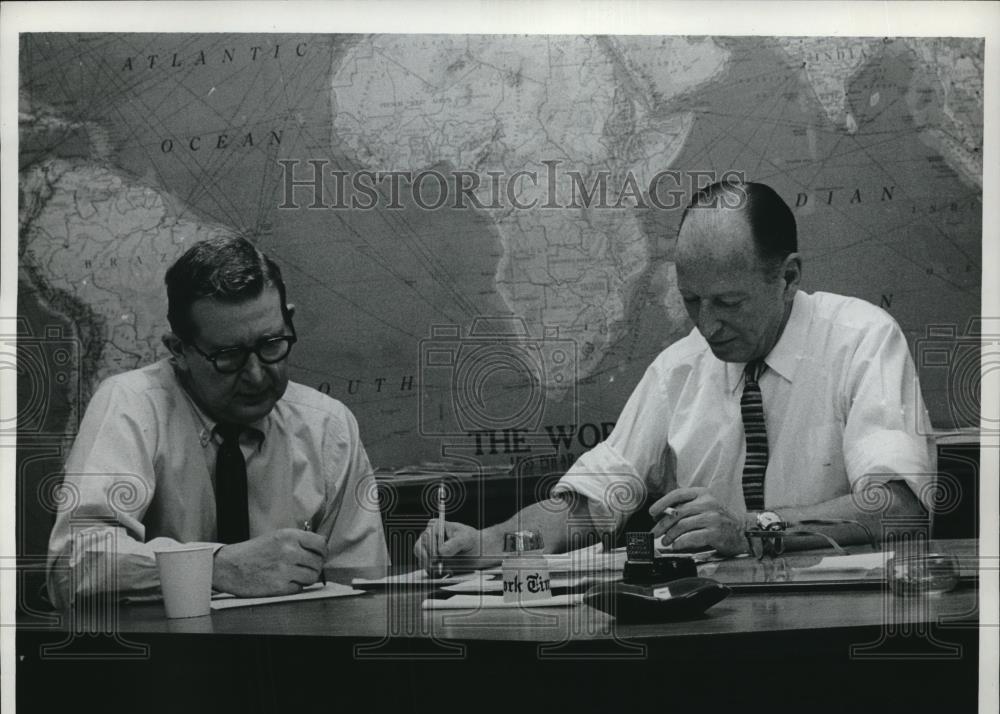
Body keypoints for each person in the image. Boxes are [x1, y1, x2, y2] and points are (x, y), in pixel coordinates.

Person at [415, 180, 935, 566]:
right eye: (691, 301)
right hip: (716, 623)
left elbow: (898, 509)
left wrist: (754, 529)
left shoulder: (862, 339)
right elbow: (591, 502)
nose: (708, 326)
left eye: (729, 302)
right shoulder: (679, 368)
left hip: (841, 623)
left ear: (789, 276)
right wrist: (490, 541)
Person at [46, 236, 388, 607]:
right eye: (229, 356)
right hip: (165, 659)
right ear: (178, 351)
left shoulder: (328, 428)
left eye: (272, 343)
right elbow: (72, 566)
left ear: (288, 318)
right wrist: (217, 567)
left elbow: (362, 591)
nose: (257, 376)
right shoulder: (132, 405)